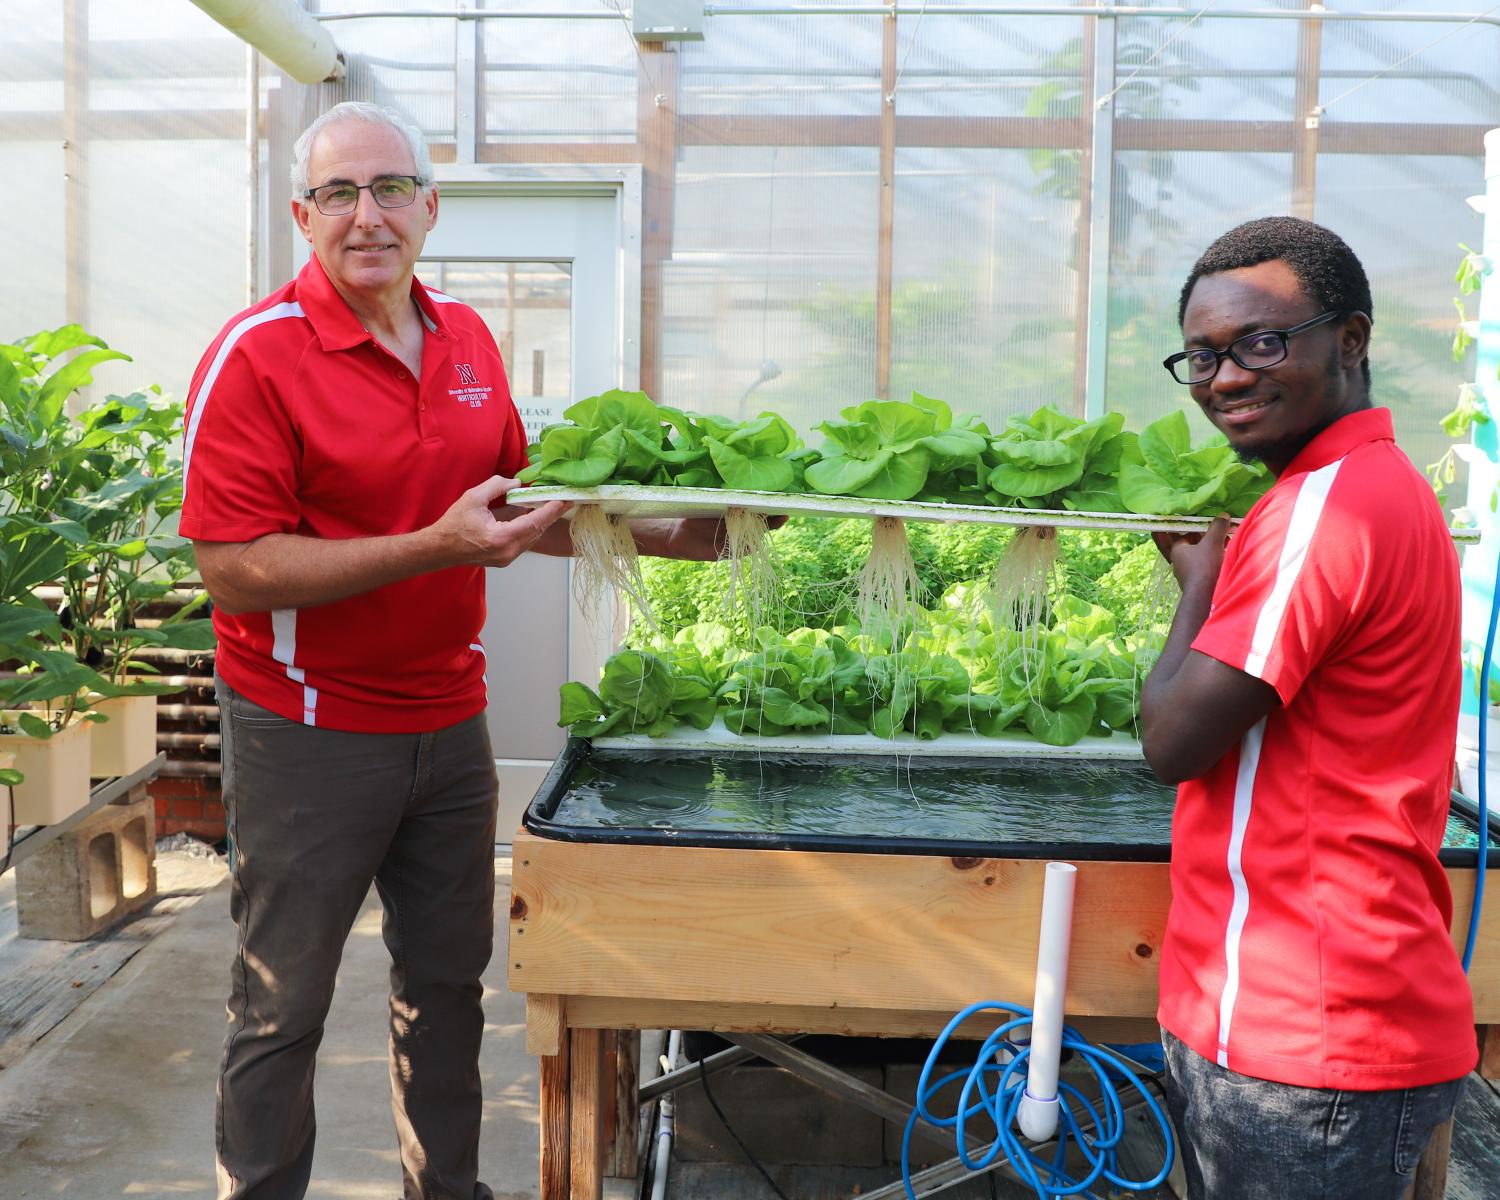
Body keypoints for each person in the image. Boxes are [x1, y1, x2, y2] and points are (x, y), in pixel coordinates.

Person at [179, 101, 726, 1200]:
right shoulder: (258, 357)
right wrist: (436, 544)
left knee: (447, 990)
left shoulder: (468, 341)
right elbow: (234, 564)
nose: (366, 215)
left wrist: (680, 536)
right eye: (339, 193)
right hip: (307, 730)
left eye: (390, 189)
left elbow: (526, 509)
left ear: (430, 208)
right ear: (303, 215)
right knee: (283, 1004)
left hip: (447, 723)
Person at [1138, 216, 1477, 1199]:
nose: (1226, 377)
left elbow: (1173, 741)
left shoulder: (1326, 510)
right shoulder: (1387, 489)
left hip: (1305, 1035)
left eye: (1262, 342)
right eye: (1201, 355)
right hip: (1341, 1011)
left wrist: (1197, 582)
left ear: (1352, 340)